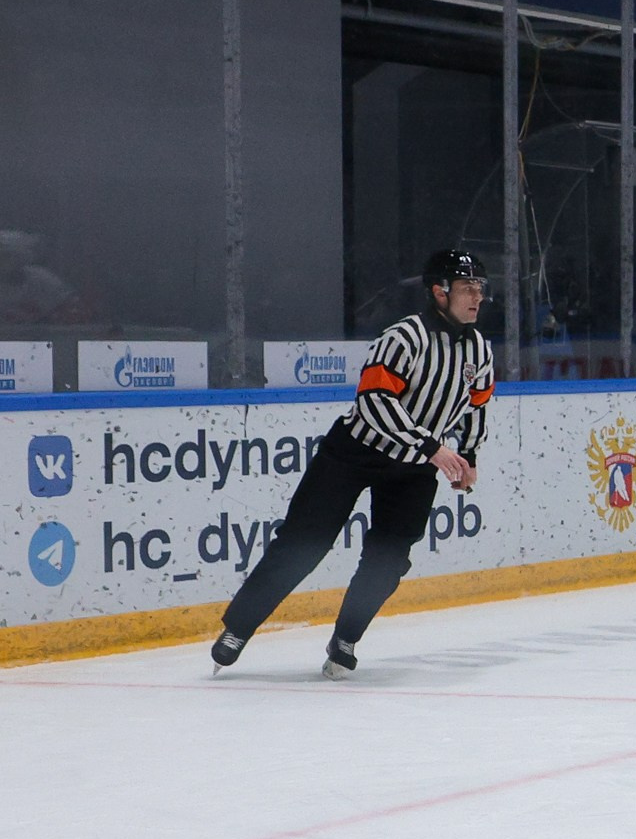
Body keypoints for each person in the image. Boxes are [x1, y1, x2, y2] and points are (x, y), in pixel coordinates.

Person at [211, 248, 494, 679]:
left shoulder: (479, 349)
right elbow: (375, 402)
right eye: (467, 288)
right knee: (304, 543)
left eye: (480, 288)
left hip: (413, 468)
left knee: (389, 557)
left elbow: (476, 405)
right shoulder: (404, 338)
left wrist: (468, 454)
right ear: (439, 292)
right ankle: (239, 628)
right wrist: (433, 447)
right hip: (354, 454)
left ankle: (345, 639)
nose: (476, 297)